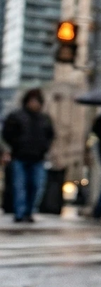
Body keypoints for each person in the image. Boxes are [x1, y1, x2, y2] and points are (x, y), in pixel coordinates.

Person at [2, 89, 55, 224]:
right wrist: (15, 147)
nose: (34, 104)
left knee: (36, 186)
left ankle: (29, 211)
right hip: (20, 157)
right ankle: (20, 213)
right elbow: (7, 134)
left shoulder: (44, 119)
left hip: (38, 158)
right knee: (19, 186)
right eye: (32, 101)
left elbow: (51, 136)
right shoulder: (16, 116)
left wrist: (45, 149)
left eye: (37, 101)